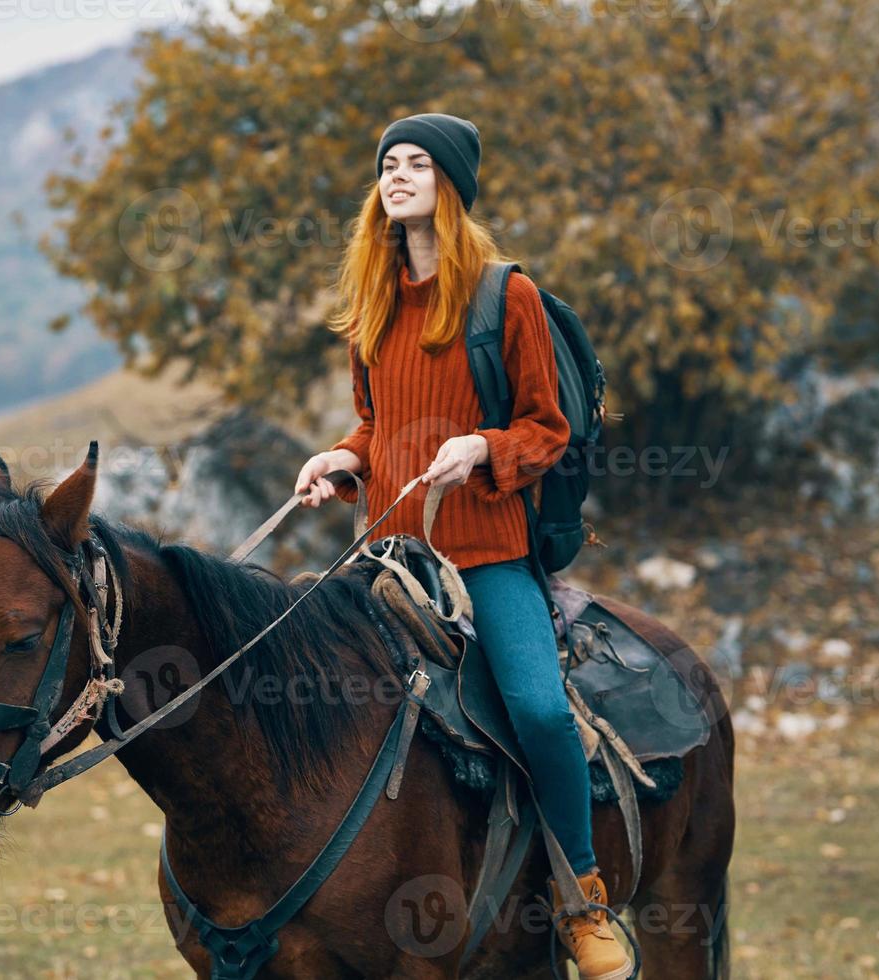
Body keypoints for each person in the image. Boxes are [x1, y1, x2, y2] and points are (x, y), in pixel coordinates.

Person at [294, 112, 631, 980]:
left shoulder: (502, 295)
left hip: (485, 555)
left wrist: (484, 447)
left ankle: (582, 899)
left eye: (418, 164)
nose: (397, 177)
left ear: (451, 185)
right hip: (388, 561)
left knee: (542, 710)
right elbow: (379, 425)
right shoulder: (373, 300)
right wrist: (340, 457)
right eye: (387, 165)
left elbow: (547, 428)